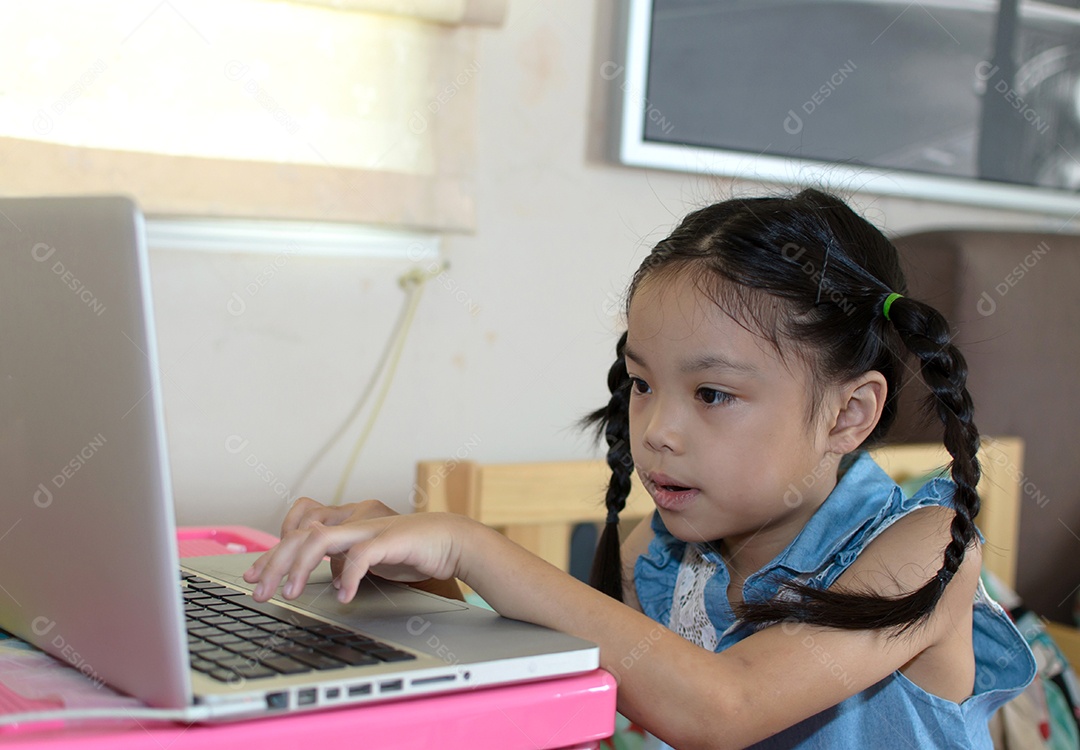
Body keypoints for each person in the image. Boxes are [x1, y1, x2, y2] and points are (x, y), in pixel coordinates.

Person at [244, 189, 1035, 749]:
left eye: (713, 394)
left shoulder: (926, 551)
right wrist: (417, 583)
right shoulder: (657, 562)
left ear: (848, 415)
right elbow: (545, 690)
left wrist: (469, 543)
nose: (656, 431)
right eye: (643, 385)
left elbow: (727, 706)